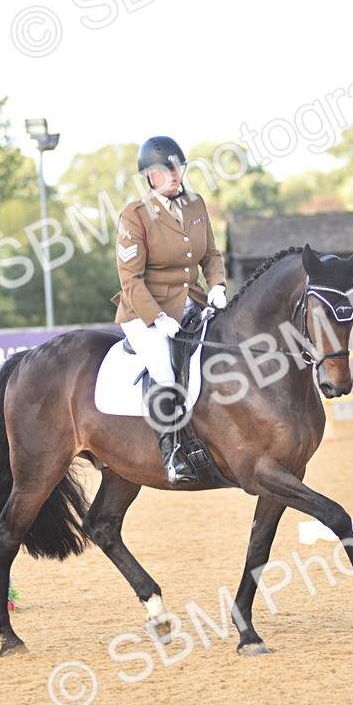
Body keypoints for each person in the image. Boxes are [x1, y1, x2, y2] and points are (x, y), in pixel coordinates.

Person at [113, 136, 228, 487]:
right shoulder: (134, 215)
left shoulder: (195, 204)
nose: (175, 174)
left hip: (193, 299)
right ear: (150, 176)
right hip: (144, 310)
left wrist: (218, 286)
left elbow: (210, 254)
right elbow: (130, 279)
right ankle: (172, 454)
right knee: (164, 370)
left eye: (179, 167)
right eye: (166, 169)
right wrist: (158, 318)